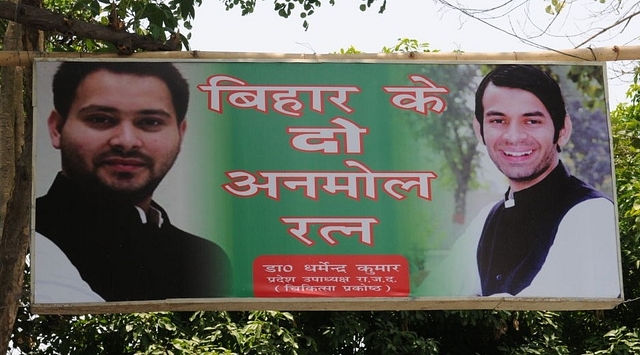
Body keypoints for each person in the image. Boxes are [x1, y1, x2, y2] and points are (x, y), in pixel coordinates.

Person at [34, 61, 231, 303]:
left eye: (150, 122)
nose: (126, 141)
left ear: (180, 133)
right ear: (57, 128)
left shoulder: (203, 259)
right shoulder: (28, 232)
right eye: (100, 119)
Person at [422, 65, 621, 298]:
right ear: (480, 130)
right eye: (498, 121)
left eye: (532, 121)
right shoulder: (487, 217)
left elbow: (546, 310)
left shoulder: (591, 212)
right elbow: (434, 293)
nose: (514, 137)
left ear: (562, 130)